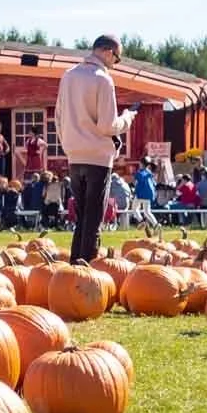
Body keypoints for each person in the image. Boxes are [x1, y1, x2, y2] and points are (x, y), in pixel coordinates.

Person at [54, 34, 138, 261]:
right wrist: (127, 119)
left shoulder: (68, 76)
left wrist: (68, 144)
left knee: (81, 218)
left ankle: (74, 267)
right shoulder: (103, 79)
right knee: (93, 220)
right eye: (117, 59)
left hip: (74, 154)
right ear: (109, 52)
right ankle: (86, 273)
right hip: (98, 157)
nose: (115, 64)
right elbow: (107, 125)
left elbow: (58, 117)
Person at [128, 160, 159, 228]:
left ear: (142, 164)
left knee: (134, 208)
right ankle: (156, 224)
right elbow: (154, 183)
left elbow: (136, 181)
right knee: (147, 211)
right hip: (149, 194)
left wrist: (132, 173)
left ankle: (141, 221)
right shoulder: (149, 172)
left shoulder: (140, 172)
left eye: (140, 163)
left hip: (141, 194)